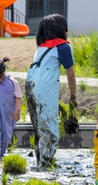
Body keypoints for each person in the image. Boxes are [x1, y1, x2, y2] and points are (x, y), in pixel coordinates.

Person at [25, 14, 77, 168]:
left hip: (30, 85)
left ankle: (39, 162)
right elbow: (71, 76)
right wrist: (73, 96)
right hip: (44, 87)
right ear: (60, 30)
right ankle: (45, 165)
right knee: (49, 129)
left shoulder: (41, 48)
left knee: (39, 128)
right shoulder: (63, 47)